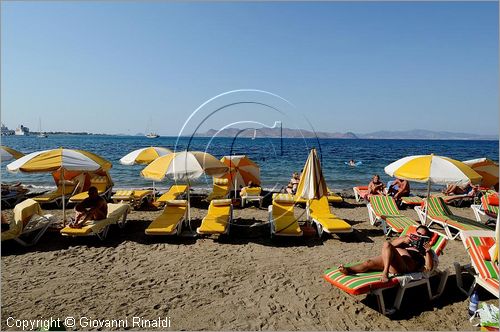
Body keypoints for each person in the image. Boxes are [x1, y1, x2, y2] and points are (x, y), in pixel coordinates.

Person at [339, 225, 435, 282]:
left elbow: (429, 268)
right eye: (418, 233)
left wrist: (428, 251)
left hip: (404, 266)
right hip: (391, 260)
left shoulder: (425, 250)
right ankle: (348, 270)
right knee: (368, 263)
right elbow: (390, 245)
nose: (419, 236)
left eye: (422, 236)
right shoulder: (406, 239)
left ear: (427, 238)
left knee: (387, 244)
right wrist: (403, 240)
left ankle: (385, 273)